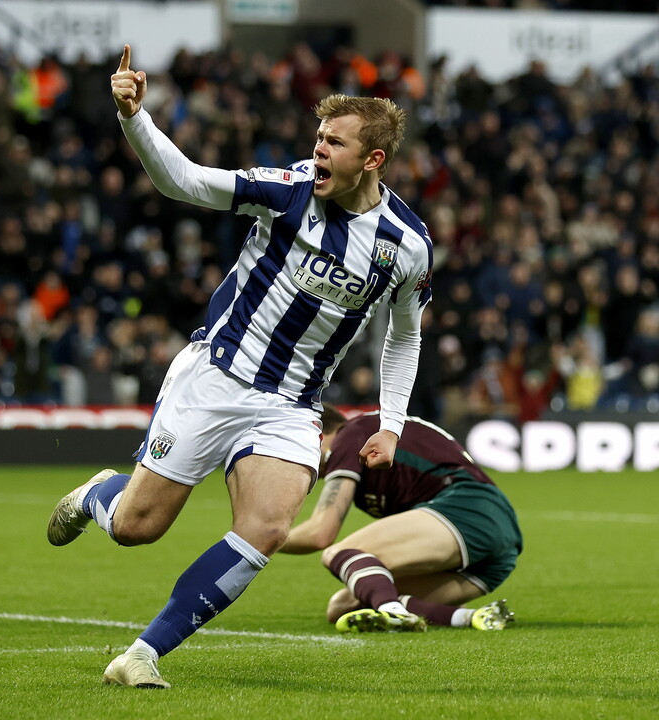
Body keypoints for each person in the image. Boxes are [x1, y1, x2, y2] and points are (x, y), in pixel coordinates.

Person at [46, 45, 433, 689]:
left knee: (268, 526)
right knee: (138, 527)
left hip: (293, 403)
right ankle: (98, 494)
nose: (318, 151)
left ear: (373, 160)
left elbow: (404, 336)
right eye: (318, 137)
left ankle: (141, 654)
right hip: (215, 377)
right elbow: (186, 181)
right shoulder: (288, 191)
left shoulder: (408, 244)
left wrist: (391, 424)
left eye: (334, 143)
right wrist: (134, 117)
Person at [279, 405, 521, 632]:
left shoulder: (351, 434)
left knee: (339, 553)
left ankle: (393, 612)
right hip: (493, 556)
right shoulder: (366, 436)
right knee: (345, 605)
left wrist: (263, 539)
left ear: (316, 432)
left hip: (468, 508)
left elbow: (320, 533)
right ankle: (471, 617)